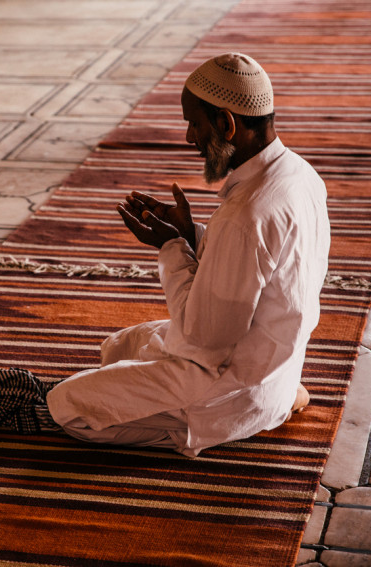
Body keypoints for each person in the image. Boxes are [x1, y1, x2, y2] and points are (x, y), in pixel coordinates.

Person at [43, 52, 331, 457]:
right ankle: (277, 394)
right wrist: (189, 233)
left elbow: (204, 336)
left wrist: (171, 247)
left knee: (67, 406)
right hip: (267, 359)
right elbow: (257, 265)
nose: (189, 138)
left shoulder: (245, 215)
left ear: (227, 124)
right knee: (121, 345)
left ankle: (219, 424)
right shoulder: (300, 174)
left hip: (222, 381)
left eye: (194, 123)